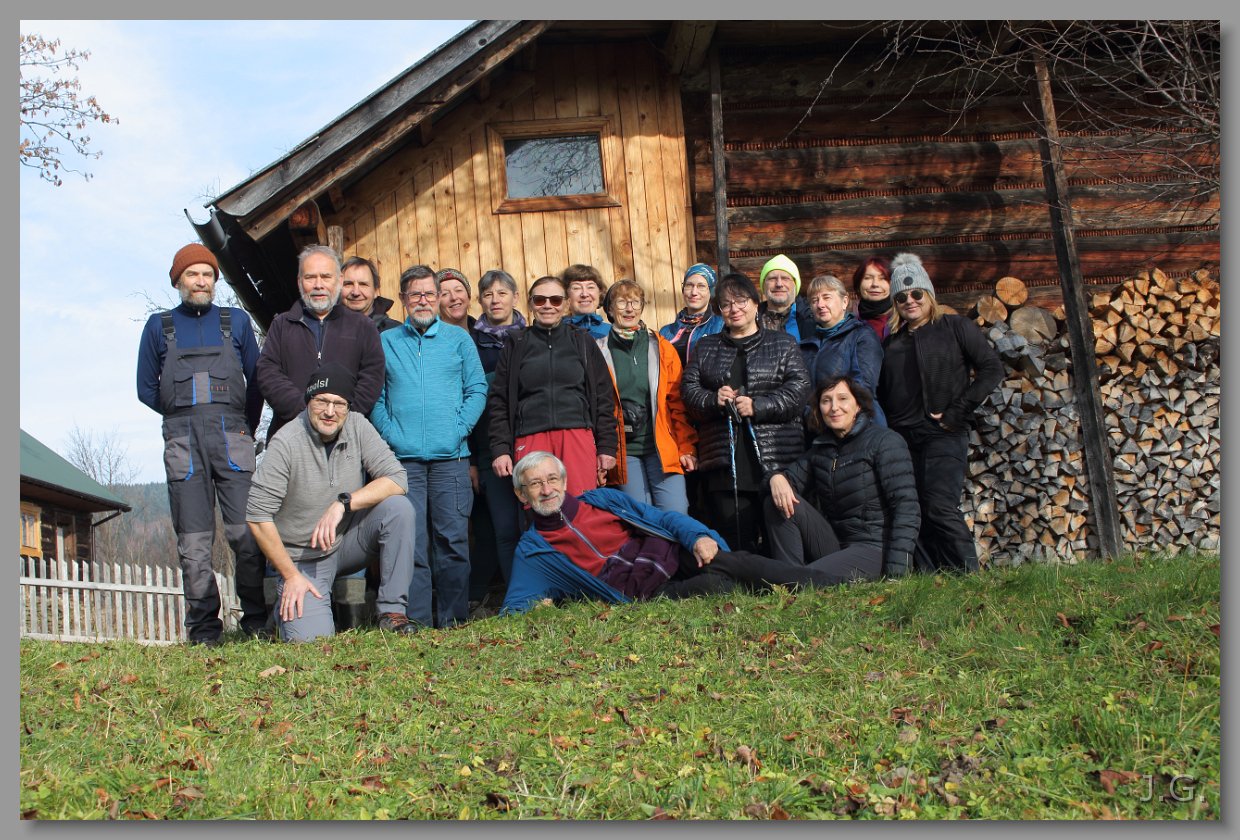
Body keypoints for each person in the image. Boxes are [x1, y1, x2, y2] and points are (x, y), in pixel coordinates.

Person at [136, 243, 269, 645]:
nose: (201, 281)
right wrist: (183, 415)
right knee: (193, 544)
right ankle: (204, 629)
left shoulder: (236, 322)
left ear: (215, 280)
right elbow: (146, 388)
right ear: (178, 281)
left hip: (233, 437)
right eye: (192, 274)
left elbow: (256, 382)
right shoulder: (159, 327)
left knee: (247, 534)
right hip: (183, 443)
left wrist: (241, 424)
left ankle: (257, 622)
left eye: (207, 274)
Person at [246, 363, 417, 641]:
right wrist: (290, 576)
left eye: (339, 404)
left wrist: (344, 504)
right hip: (302, 558)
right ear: (308, 401)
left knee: (399, 509)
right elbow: (257, 516)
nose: (330, 411)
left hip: (346, 541)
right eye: (322, 401)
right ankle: (281, 614)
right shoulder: (285, 442)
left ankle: (392, 612)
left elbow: (397, 479)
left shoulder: (357, 425)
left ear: (348, 408)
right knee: (313, 642)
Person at [371, 267, 487, 628]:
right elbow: (376, 396)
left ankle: (453, 618)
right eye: (415, 294)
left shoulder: (458, 340)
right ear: (403, 299)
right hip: (403, 462)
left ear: (437, 298)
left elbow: (477, 389)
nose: (422, 301)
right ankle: (417, 621)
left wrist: (458, 430)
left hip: (451, 459)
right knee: (412, 542)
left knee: (452, 540)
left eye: (429, 294)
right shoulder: (387, 341)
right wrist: (391, 434)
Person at [877, 252, 1004, 573]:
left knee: (939, 504)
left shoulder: (955, 327)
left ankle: (968, 573)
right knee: (912, 507)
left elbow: (991, 368)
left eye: (916, 293)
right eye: (901, 297)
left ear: (929, 294)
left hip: (943, 433)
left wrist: (957, 412)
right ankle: (932, 575)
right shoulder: (891, 344)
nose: (910, 301)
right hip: (903, 439)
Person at [681, 272, 810, 554]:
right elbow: (688, 392)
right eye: (726, 304)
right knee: (734, 537)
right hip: (723, 460)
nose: (734, 309)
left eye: (740, 301)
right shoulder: (706, 347)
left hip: (776, 456)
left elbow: (799, 389)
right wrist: (713, 399)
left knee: (779, 537)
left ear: (754, 303)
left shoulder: (782, 343)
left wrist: (758, 405)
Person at [763, 376, 920, 583]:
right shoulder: (821, 450)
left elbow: (907, 507)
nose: (834, 407)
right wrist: (775, 477)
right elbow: (787, 479)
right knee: (776, 499)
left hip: (875, 548)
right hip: (836, 545)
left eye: (843, 398)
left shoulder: (885, 441)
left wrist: (897, 573)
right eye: (826, 401)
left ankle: (792, 581)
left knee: (807, 578)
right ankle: (790, 579)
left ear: (858, 405)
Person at [487, 275, 618, 497]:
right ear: (530, 304)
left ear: (565, 304)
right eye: (540, 300)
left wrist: (606, 446)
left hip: (576, 434)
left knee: (580, 504)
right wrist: (500, 449)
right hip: (530, 436)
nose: (548, 305)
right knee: (539, 505)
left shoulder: (582, 341)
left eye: (555, 300)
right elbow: (499, 400)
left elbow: (604, 397)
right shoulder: (517, 343)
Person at [256, 245, 385, 442]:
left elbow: (372, 376)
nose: (318, 285)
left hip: (346, 438)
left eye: (325, 277)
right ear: (299, 281)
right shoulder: (282, 325)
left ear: (339, 281)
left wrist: (340, 416)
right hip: (291, 435)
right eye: (310, 277)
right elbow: (268, 373)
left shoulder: (363, 327)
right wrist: (306, 413)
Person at [596, 279, 697, 516]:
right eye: (621, 302)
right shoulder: (599, 351)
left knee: (676, 513)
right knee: (641, 517)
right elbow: (596, 408)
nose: (629, 309)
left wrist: (686, 447)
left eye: (635, 302)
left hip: (661, 448)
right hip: (625, 451)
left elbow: (677, 403)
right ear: (609, 309)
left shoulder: (661, 348)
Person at [467, 269, 527, 611]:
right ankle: (515, 596)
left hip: (529, 444)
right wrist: (473, 459)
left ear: (515, 297)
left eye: (502, 293)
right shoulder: (470, 343)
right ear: (480, 300)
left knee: (532, 522)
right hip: (489, 447)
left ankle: (539, 590)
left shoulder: (531, 337)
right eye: (488, 294)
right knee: (504, 528)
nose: (495, 300)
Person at [802, 273, 887, 426]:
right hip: (819, 428)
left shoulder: (861, 335)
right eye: (814, 300)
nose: (820, 304)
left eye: (827, 297)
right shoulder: (806, 346)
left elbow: (864, 387)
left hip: (859, 426)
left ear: (845, 301)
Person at [659, 263, 724, 365]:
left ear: (711, 291)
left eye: (701, 286)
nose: (694, 292)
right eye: (689, 285)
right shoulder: (665, 332)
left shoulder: (720, 326)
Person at [757, 254, 814, 342]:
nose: (779, 284)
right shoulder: (751, 318)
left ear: (795, 284)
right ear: (764, 285)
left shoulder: (812, 317)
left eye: (785, 278)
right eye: (772, 278)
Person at [340, 255, 400, 333]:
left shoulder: (395, 333)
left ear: (376, 291)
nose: (356, 292)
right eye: (348, 284)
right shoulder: (326, 328)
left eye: (363, 284)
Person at [563, 263, 611, 339]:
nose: (584, 294)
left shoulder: (612, 333)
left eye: (590, 287)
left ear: (600, 292)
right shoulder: (556, 333)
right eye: (576, 288)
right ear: (566, 294)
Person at [853, 256, 893, 341]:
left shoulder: (905, 321)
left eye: (882, 278)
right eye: (868, 278)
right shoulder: (848, 325)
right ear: (858, 284)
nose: (875, 284)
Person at [436, 267, 475, 331]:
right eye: (445, 294)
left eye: (458, 290)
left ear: (468, 296)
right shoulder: (429, 336)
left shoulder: (485, 333)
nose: (454, 297)